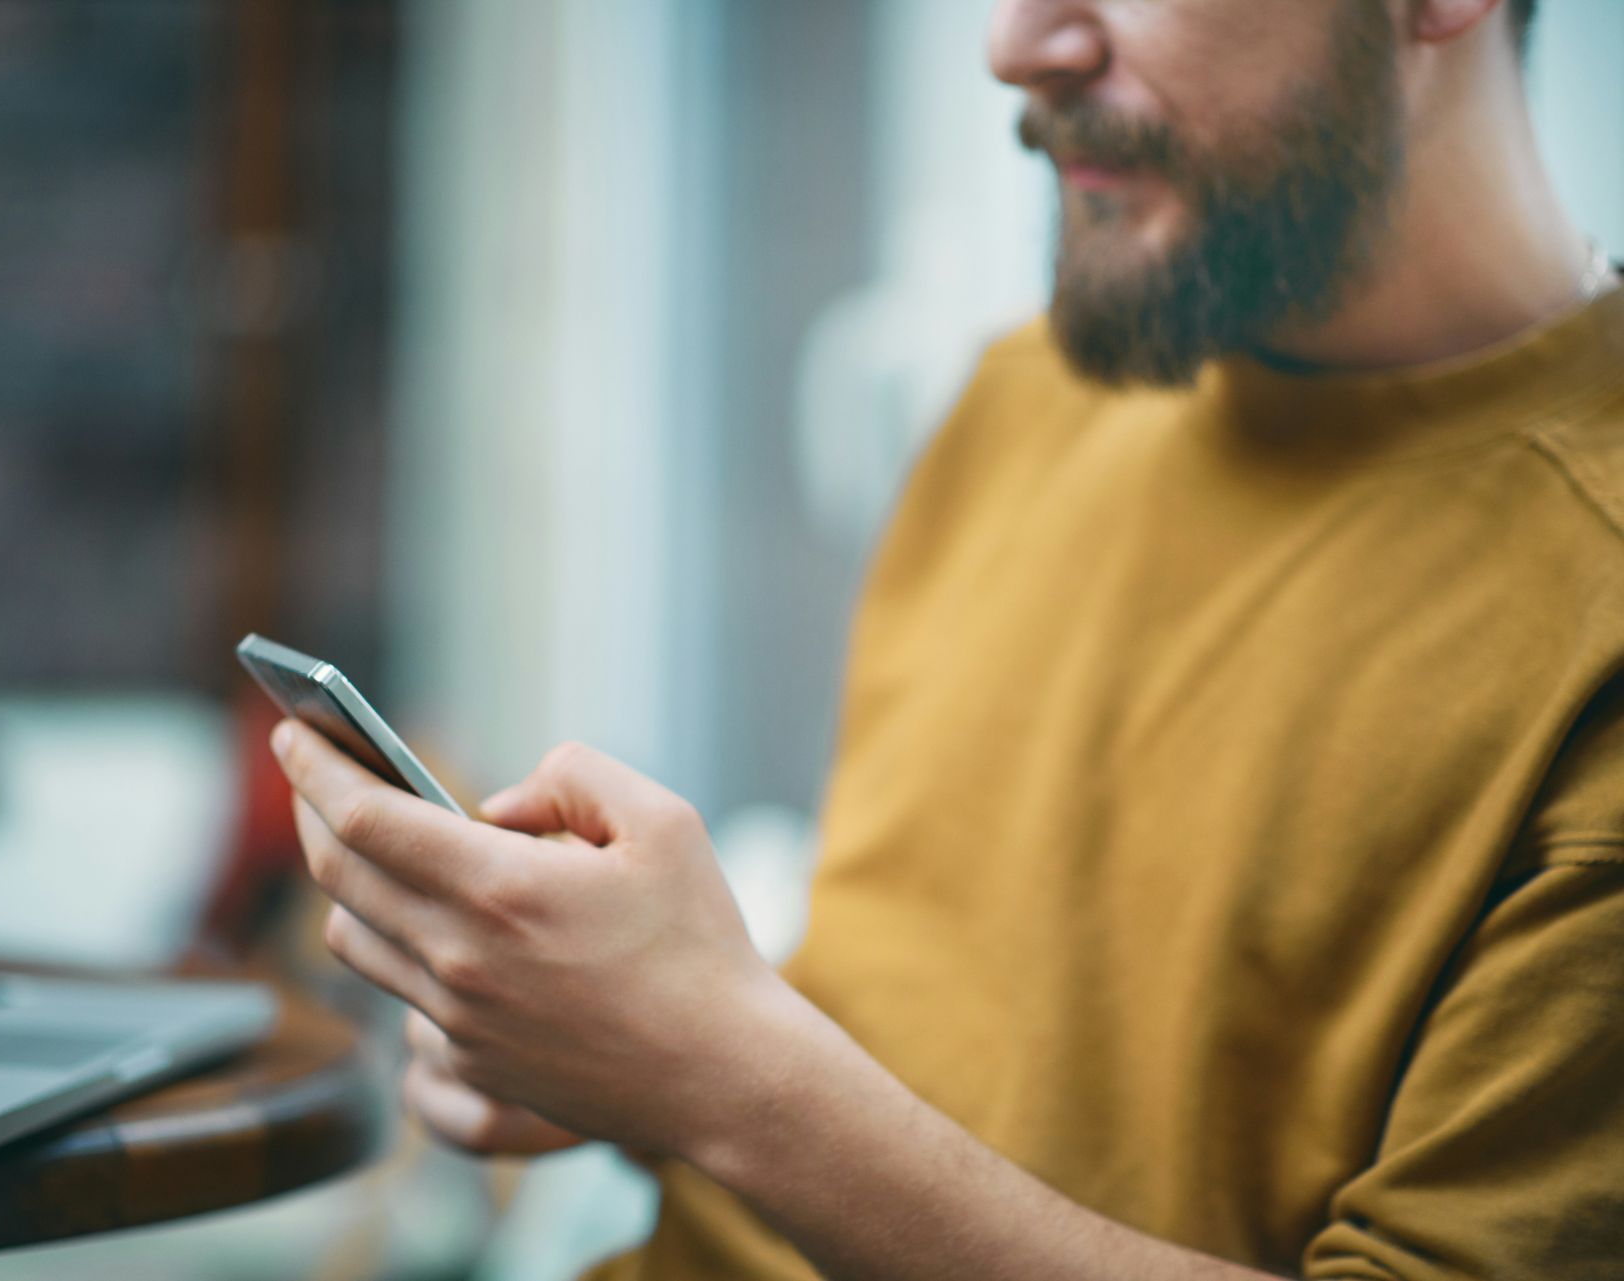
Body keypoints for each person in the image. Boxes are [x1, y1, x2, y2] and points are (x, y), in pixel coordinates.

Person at [272, 0, 1624, 1276]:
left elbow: (784, 1103)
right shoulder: (1025, 399)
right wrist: (607, 1045)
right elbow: (941, 1076)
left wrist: (722, 1070)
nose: (1015, 43)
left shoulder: (1591, 614)